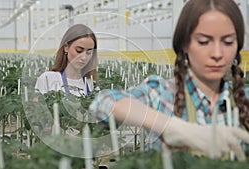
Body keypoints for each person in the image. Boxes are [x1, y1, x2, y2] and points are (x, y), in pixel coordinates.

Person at [89, 0, 249, 161]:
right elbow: (103, 103)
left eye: (228, 42)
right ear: (185, 44)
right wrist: (171, 126)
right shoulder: (162, 94)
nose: (217, 53)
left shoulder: (243, 100)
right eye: (204, 42)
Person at [35, 24, 98, 97]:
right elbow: (37, 106)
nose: (84, 57)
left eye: (88, 52)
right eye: (79, 50)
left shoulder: (92, 85)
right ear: (66, 47)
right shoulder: (47, 79)